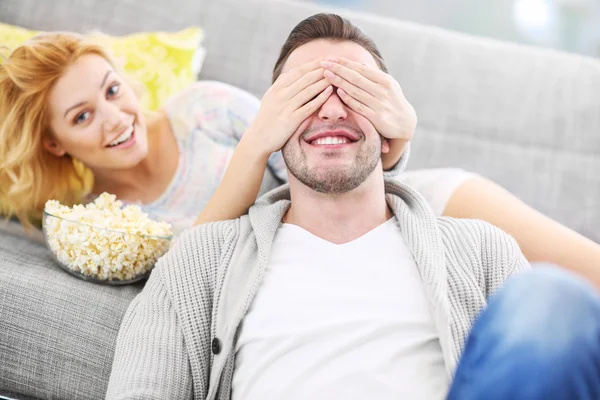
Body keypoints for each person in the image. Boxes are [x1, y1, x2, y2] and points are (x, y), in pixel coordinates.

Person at [105, 13, 600, 400]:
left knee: (557, 299)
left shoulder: (481, 248)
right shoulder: (198, 262)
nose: (333, 108)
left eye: (356, 91)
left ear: (391, 125)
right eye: (306, 94)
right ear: (273, 124)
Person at [1, 25, 600, 288]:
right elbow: (184, 273)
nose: (116, 116)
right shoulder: (104, 222)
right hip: (343, 260)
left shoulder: (200, 110)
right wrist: (256, 146)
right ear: (54, 142)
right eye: (82, 116)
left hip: (404, 204)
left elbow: (335, 171)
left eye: (112, 90)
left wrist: (398, 142)